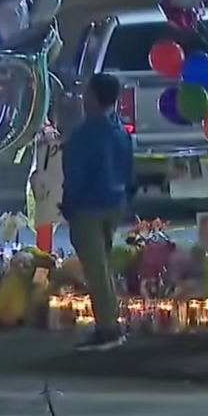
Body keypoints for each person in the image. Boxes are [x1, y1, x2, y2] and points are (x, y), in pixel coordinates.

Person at [62, 72, 134, 352]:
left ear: (93, 97)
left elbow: (76, 175)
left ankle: (108, 328)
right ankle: (110, 321)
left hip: (88, 206)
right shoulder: (120, 131)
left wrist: (69, 204)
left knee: (96, 270)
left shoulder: (84, 134)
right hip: (114, 203)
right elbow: (129, 171)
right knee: (103, 265)